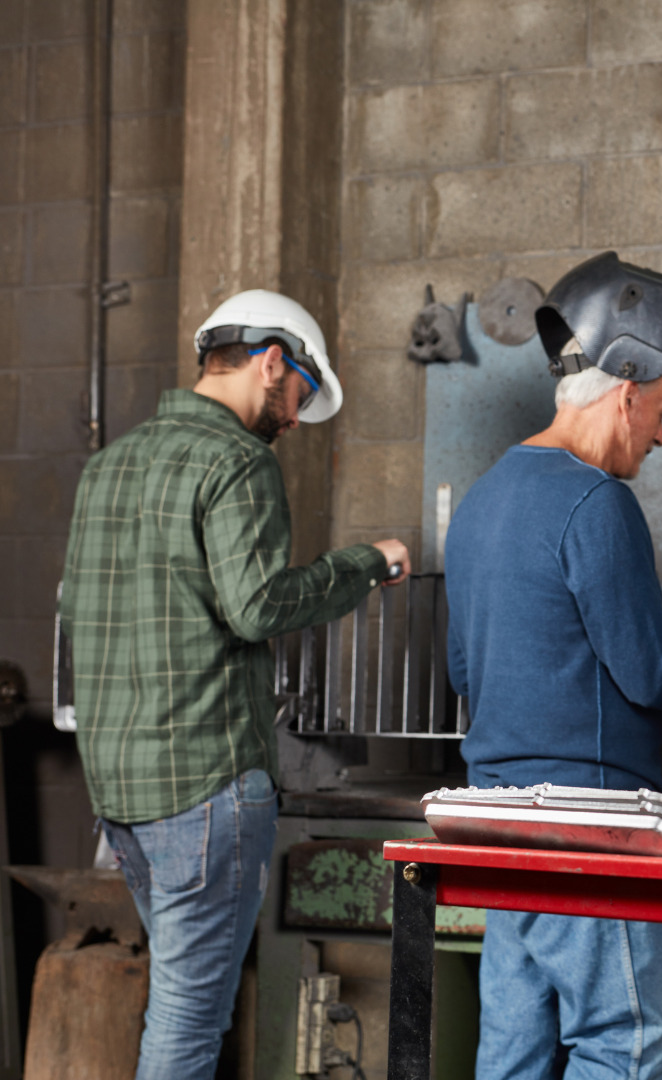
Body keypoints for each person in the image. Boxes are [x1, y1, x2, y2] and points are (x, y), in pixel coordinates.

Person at [58, 289, 410, 1080]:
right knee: (190, 1014)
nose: (293, 421)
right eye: (299, 399)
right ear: (272, 361)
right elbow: (255, 607)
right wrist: (365, 564)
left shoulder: (108, 465)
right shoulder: (236, 461)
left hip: (119, 788)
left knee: (184, 1001)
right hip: (204, 784)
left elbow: (75, 610)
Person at [446, 252, 662, 1080]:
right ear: (626, 389)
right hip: (583, 819)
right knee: (629, 1042)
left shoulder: (484, 497)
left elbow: (467, 670)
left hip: (497, 817)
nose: (661, 436)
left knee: (516, 1046)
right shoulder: (595, 500)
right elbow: (647, 674)